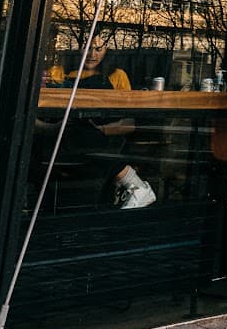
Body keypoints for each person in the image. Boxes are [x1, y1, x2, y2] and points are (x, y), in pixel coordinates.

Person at [43, 42, 155, 208]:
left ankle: (135, 186)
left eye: (98, 49)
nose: (91, 54)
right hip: (66, 137)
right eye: (86, 47)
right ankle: (134, 184)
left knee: (86, 134)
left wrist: (101, 130)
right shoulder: (61, 73)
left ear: (106, 50)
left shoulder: (116, 75)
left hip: (104, 138)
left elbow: (128, 122)